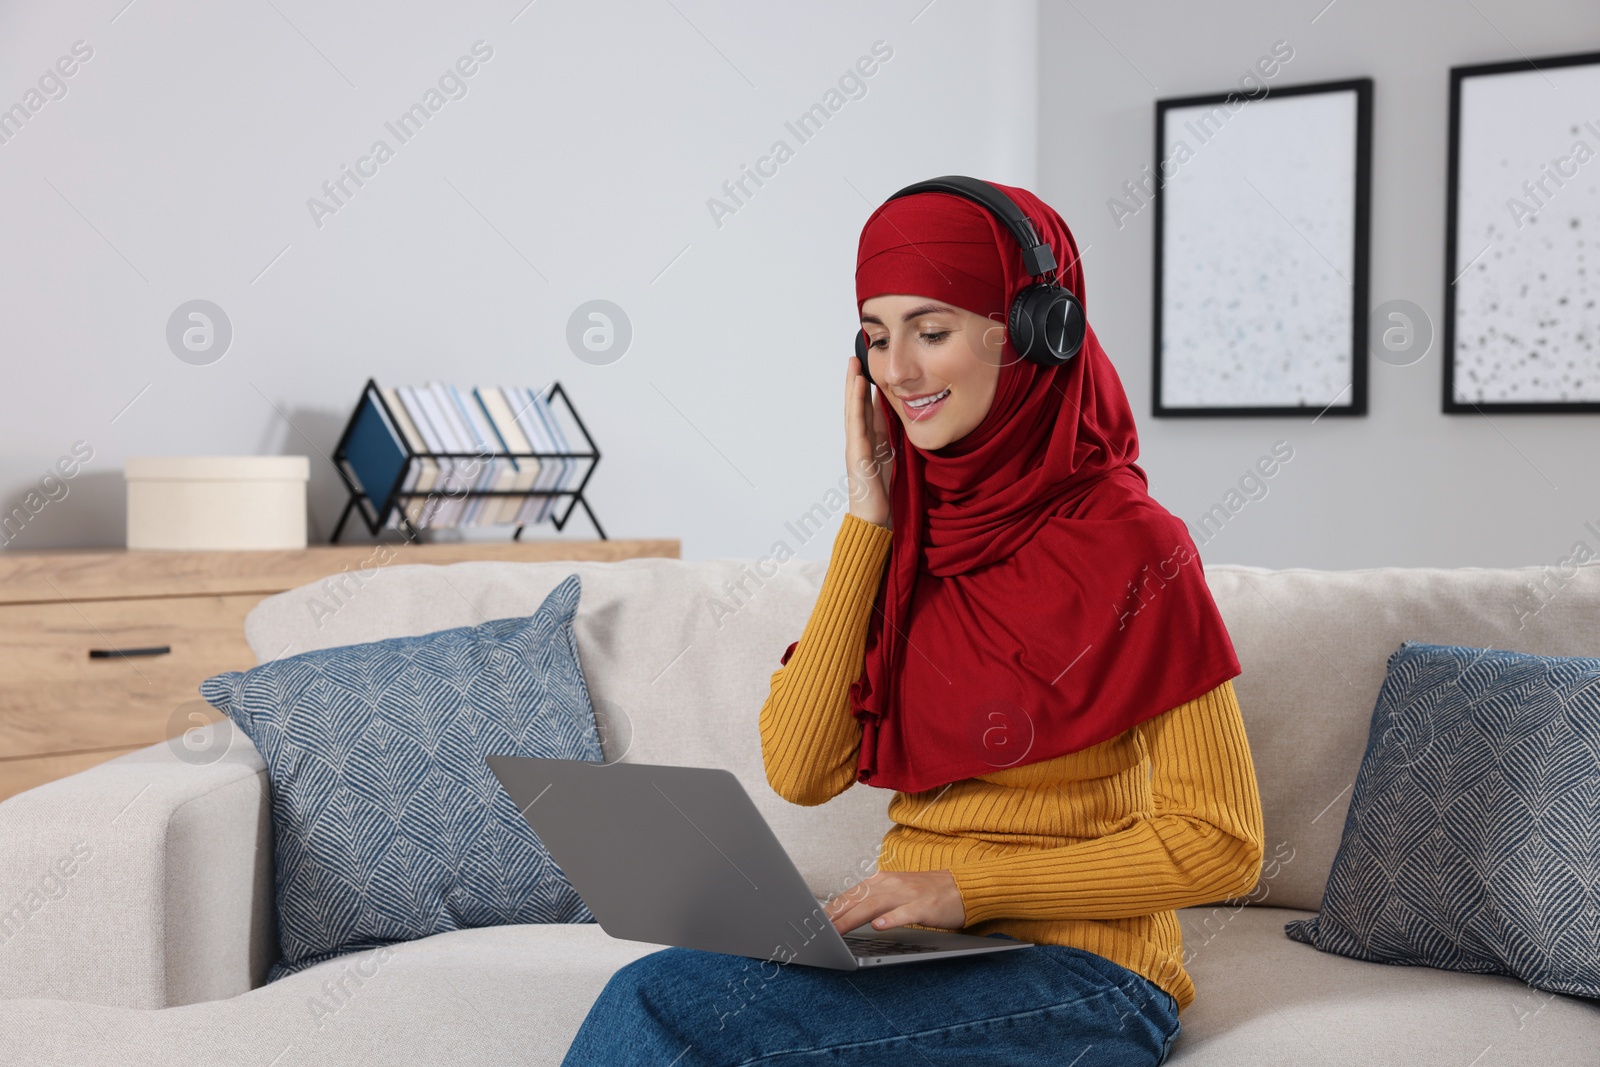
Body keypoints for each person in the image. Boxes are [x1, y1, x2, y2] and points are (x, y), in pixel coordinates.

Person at [560, 180, 1264, 1066]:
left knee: (660, 1005)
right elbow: (802, 769)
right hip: (923, 957)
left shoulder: (1136, 547)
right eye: (876, 336)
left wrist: (965, 887)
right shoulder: (907, 538)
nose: (897, 370)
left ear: (1039, 332)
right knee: (676, 991)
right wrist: (869, 522)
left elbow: (1224, 844)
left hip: (1090, 977)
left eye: (930, 332)